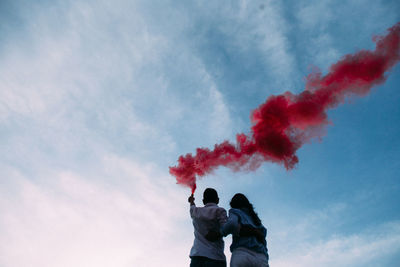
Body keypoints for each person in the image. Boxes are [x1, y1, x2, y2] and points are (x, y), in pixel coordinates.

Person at [221, 193, 269, 267]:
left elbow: (232, 223)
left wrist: (221, 232)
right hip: (261, 257)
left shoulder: (235, 211)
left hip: (242, 253)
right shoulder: (256, 219)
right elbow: (263, 236)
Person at [188, 188, 228, 267]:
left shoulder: (196, 212)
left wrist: (191, 201)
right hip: (215, 257)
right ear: (217, 200)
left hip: (197, 257)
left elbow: (192, 207)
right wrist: (219, 234)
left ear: (203, 201)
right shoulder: (220, 211)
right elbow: (226, 227)